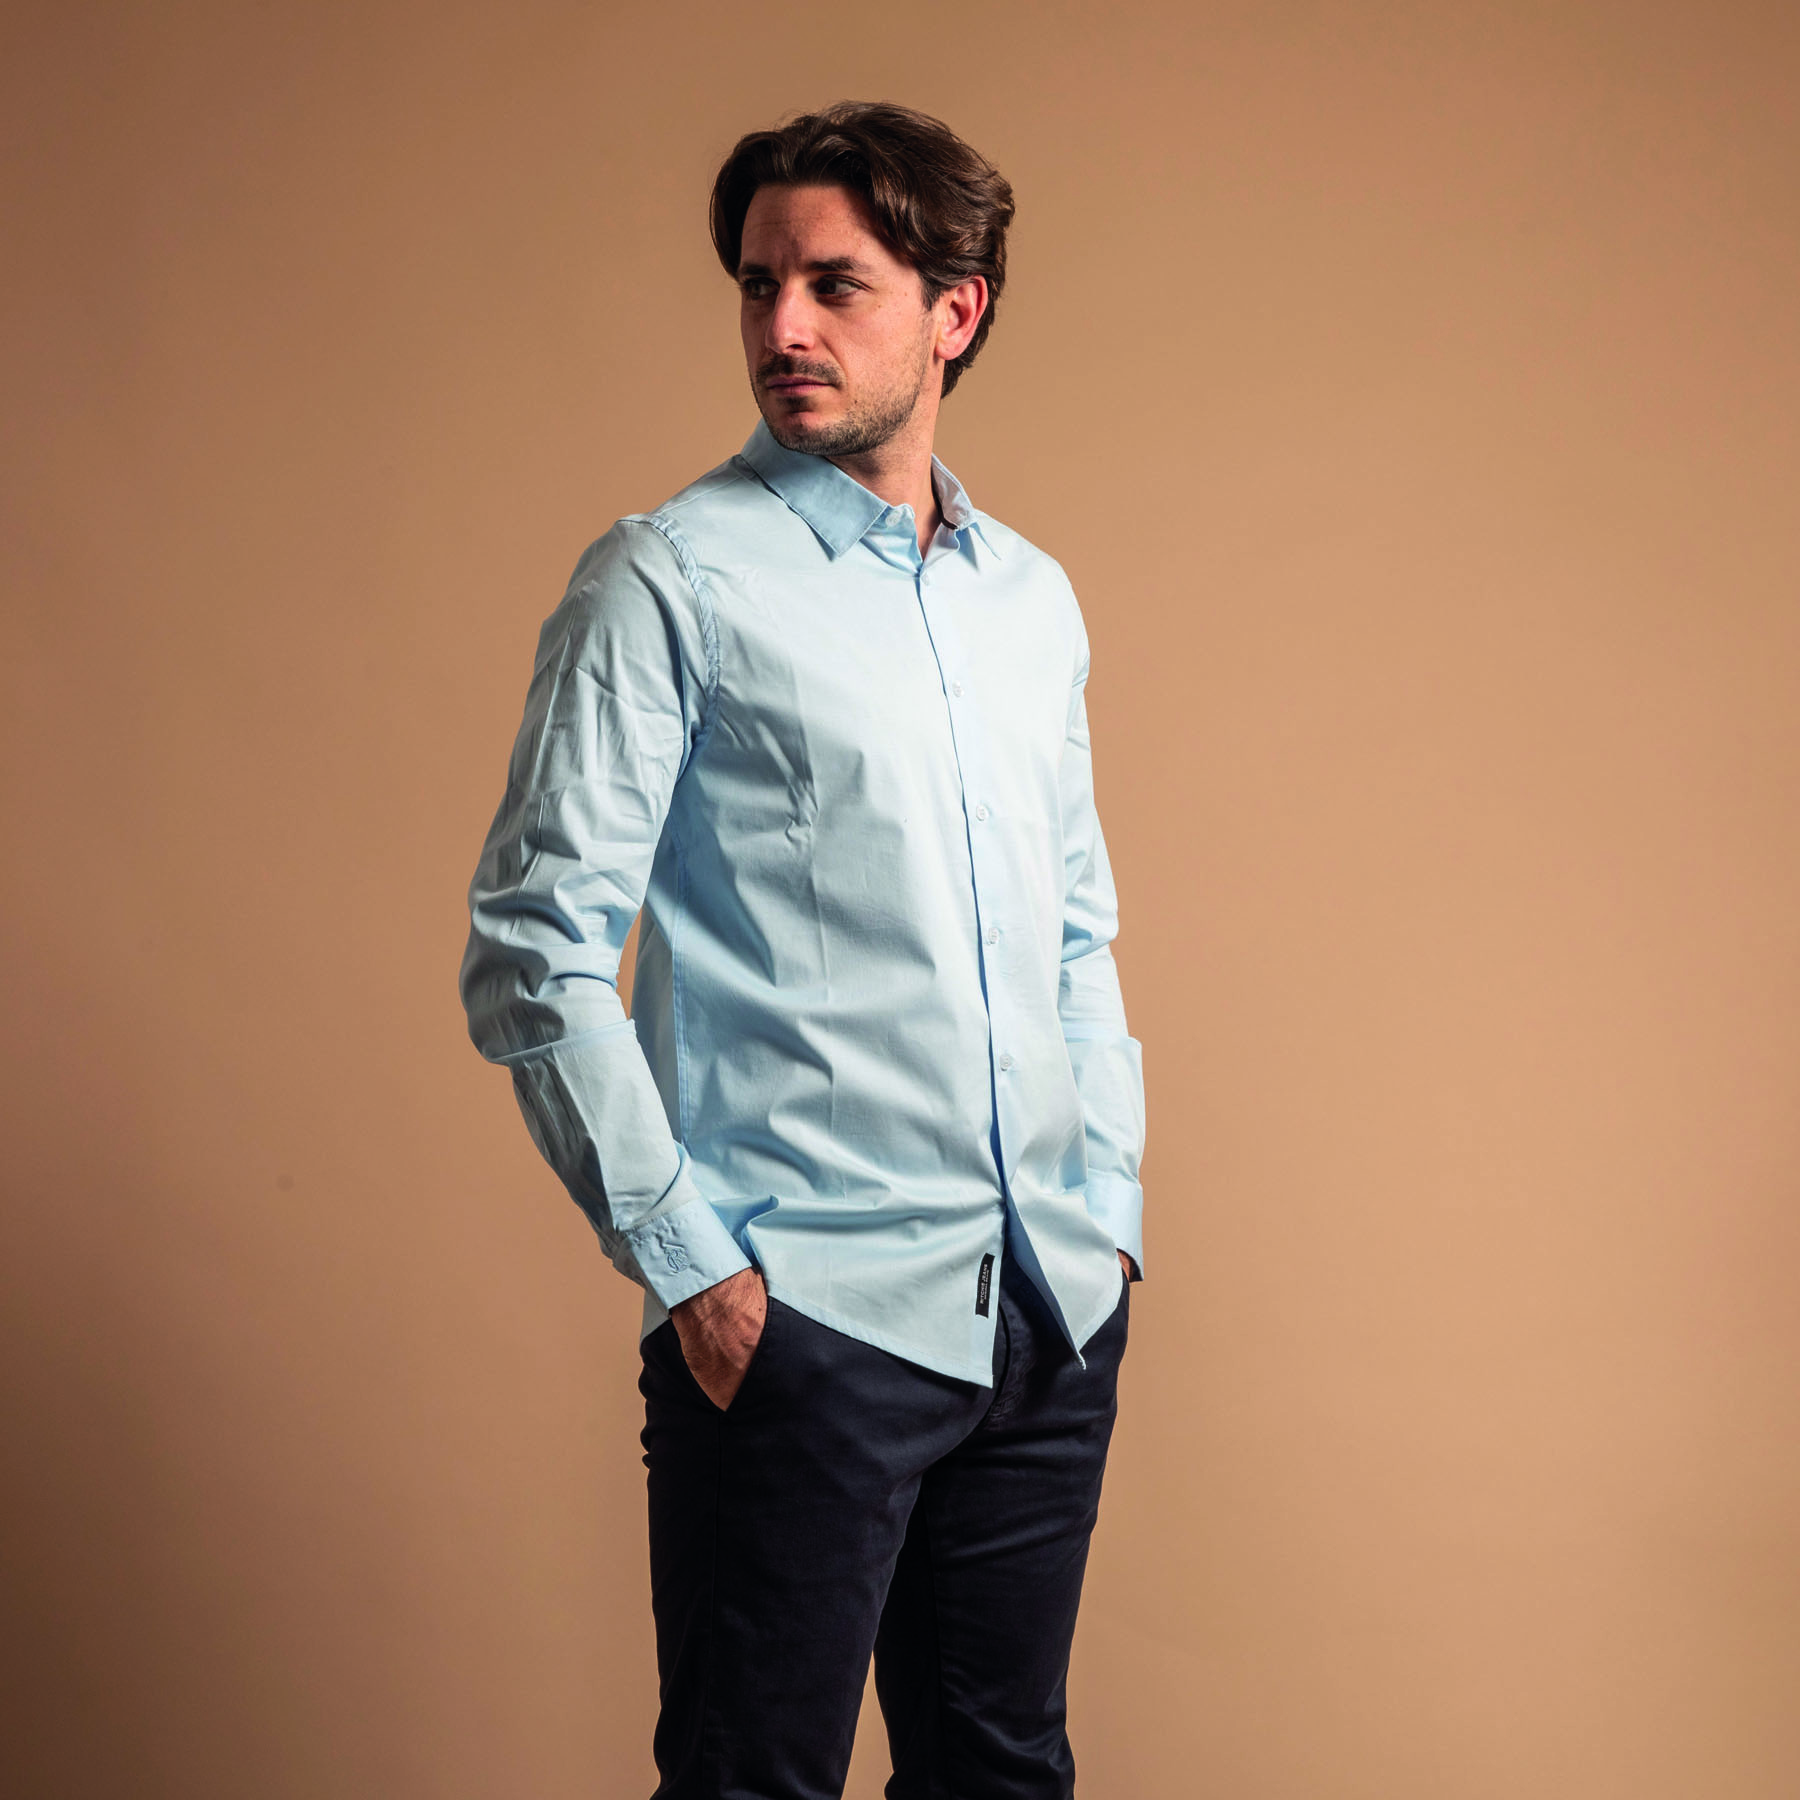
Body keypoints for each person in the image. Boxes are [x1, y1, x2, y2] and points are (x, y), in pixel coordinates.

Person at [459, 100, 1146, 1800]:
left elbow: (1073, 924)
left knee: (1005, 1777)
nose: (783, 326)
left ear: (954, 311)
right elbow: (537, 948)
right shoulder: (669, 581)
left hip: (1042, 1312)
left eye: (835, 285)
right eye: (759, 284)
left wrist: (1107, 1202)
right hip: (805, 1328)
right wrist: (694, 1271)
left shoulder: (1031, 601)